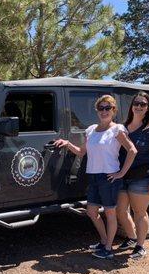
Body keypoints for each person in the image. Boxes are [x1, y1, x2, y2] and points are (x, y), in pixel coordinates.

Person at [55, 95, 137, 260]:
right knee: (91, 212)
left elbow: (132, 150)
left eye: (108, 108)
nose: (104, 111)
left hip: (109, 177)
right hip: (92, 176)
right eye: (101, 108)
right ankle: (104, 240)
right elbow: (81, 152)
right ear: (97, 111)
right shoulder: (91, 130)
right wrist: (67, 143)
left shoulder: (117, 130)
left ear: (113, 110)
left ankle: (108, 249)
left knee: (110, 213)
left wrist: (121, 173)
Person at [116, 92, 149, 259]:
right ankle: (131, 237)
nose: (138, 106)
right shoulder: (123, 127)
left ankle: (140, 246)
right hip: (122, 176)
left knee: (139, 212)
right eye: (136, 103)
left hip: (142, 177)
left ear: (147, 108)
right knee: (121, 210)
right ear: (131, 106)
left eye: (143, 104)